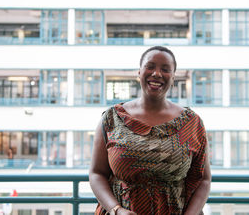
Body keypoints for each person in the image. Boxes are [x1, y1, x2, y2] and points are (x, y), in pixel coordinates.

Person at [89, 46, 211, 215]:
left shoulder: (191, 123)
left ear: (173, 77)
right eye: (150, 66)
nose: (157, 74)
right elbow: (96, 173)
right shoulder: (112, 118)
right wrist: (116, 210)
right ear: (139, 72)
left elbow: (203, 180)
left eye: (165, 69)